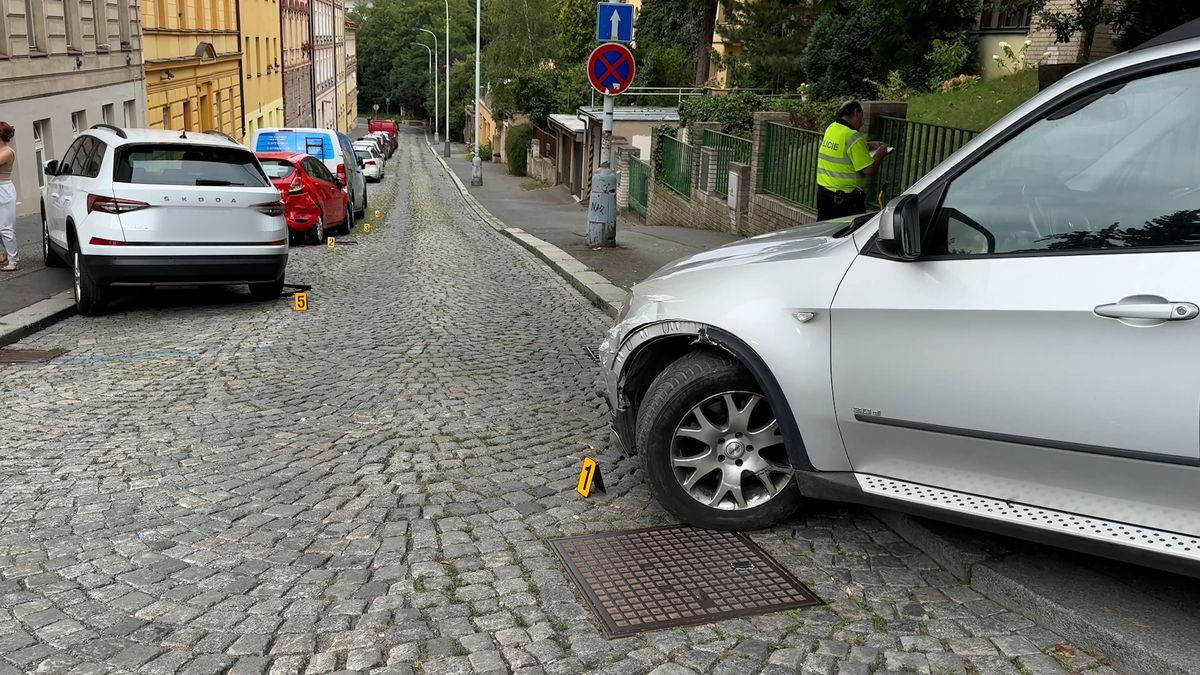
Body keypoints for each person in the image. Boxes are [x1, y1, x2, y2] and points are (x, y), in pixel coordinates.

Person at [815, 101, 888, 221]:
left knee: (824, 232)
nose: (862, 122)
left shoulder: (832, 128)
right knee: (846, 234)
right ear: (856, 113)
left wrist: (866, 145)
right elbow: (869, 169)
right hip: (844, 201)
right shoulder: (853, 136)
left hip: (824, 194)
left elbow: (843, 149)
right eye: (862, 117)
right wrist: (880, 154)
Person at [0, 121, 18, 272]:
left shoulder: (7, 152)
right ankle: (3, 254)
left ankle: (13, 261)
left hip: (4, 190)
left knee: (6, 228)